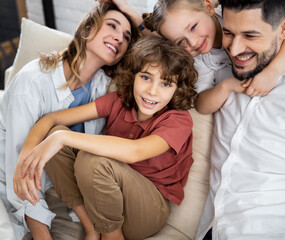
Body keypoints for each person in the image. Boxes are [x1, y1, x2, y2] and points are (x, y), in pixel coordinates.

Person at [0, 2, 139, 240]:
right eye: (112, 25)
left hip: (44, 190)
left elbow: (154, 52)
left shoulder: (106, 89)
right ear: (88, 28)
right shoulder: (34, 81)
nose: (119, 38)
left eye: (126, 36)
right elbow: (20, 170)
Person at [13, 35, 198, 240]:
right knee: (54, 134)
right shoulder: (118, 101)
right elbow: (51, 118)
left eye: (166, 84)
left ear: (176, 89)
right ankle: (91, 227)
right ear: (133, 76)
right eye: (145, 77)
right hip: (101, 200)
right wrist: (25, 157)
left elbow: (136, 151)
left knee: (91, 158)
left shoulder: (178, 120)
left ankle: (112, 236)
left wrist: (62, 137)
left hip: (147, 211)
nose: (152, 91)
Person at [194, 0, 285, 238]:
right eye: (229, 33)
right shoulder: (221, 72)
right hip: (214, 231)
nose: (235, 50)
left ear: (284, 28)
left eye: (250, 35)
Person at [98, 0, 285, 114]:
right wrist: (226, 86)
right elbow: (201, 104)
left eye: (194, 27)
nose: (192, 42)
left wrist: (273, 72)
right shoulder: (198, 61)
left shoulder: (233, 14)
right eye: (181, 42)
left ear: (208, 6)